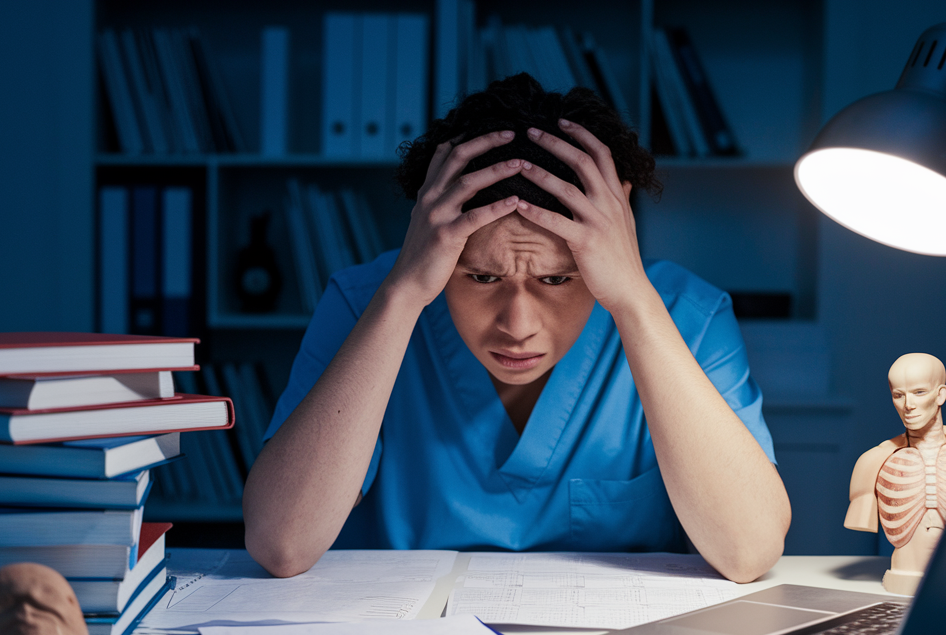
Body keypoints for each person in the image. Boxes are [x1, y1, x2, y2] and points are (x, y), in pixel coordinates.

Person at [244, 74, 790, 582]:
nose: (518, 326)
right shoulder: (369, 303)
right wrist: (404, 292)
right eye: (481, 276)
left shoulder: (689, 317)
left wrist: (632, 302)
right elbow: (281, 543)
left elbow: (748, 551)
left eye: (557, 280)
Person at [844, 353, 946, 594]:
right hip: (902, 576)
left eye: (919, 392)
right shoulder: (872, 462)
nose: (908, 405)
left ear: (941, 394)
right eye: (899, 395)